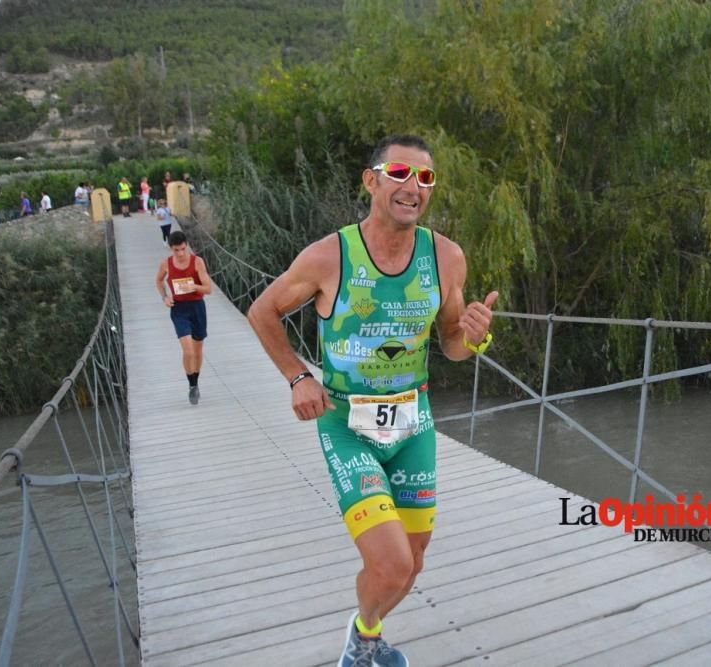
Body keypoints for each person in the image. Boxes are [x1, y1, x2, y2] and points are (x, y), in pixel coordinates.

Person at [246, 134, 497, 667]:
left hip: (414, 424)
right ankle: (359, 651)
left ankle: (365, 635)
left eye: (425, 179)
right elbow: (262, 311)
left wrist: (473, 337)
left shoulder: (446, 257)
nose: (413, 187)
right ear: (371, 180)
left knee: (414, 563)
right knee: (390, 563)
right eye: (400, 173)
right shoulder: (328, 256)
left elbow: (452, 345)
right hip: (346, 423)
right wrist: (298, 377)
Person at [156, 230, 212, 404]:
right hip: (179, 309)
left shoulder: (197, 262)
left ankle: (195, 383)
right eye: (176, 250)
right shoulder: (166, 264)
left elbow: (208, 289)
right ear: (170, 249)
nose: (180, 254)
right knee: (188, 351)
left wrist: (192, 286)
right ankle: (191, 385)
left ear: (186, 245)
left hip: (197, 307)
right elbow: (158, 281)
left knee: (197, 350)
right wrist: (164, 297)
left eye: (182, 249)